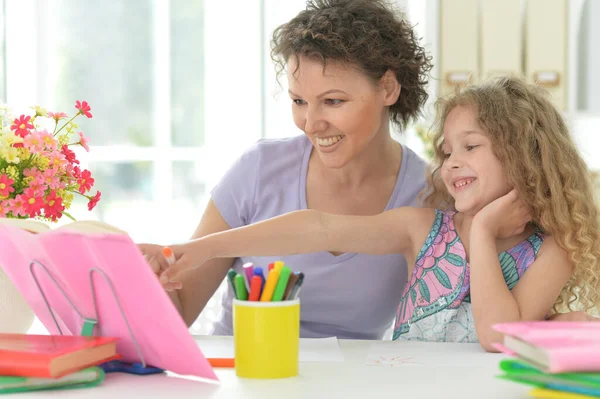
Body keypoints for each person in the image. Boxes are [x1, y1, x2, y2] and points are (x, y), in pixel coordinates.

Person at [156, 76, 600, 351]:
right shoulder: (422, 227)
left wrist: (482, 233)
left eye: (471, 146)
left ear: (525, 154)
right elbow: (318, 227)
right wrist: (196, 249)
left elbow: (498, 336)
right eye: (447, 151)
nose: (452, 162)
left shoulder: (553, 249)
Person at [140, 0, 433, 339]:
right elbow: (179, 307)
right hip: (245, 377)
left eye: (333, 101)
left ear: (388, 88)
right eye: (299, 101)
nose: (311, 124)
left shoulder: (428, 195)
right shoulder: (260, 169)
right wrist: (150, 282)